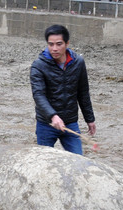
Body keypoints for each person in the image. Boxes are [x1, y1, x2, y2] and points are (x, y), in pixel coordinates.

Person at [30, 24, 96, 155]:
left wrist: (90, 119)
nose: (54, 49)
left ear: (67, 43)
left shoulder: (78, 63)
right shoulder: (38, 66)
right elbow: (39, 95)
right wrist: (53, 116)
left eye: (59, 44)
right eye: (51, 44)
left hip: (70, 123)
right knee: (45, 162)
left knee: (78, 161)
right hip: (46, 124)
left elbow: (83, 93)